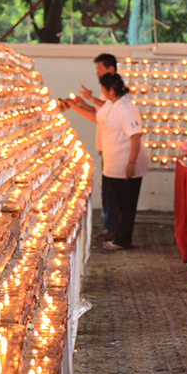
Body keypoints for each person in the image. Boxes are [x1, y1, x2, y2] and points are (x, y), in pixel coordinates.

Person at [66, 72, 149, 250]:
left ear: (111, 90)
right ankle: (117, 235)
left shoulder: (126, 108)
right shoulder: (112, 104)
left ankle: (123, 240)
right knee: (116, 201)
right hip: (113, 162)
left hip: (124, 162)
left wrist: (131, 163)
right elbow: (98, 118)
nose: (102, 92)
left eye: (103, 89)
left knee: (125, 204)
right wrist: (76, 106)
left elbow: (136, 136)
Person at [74, 53, 119, 243]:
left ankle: (114, 229)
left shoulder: (115, 89)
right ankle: (109, 227)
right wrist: (84, 103)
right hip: (105, 145)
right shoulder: (104, 90)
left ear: (110, 69)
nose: (97, 72)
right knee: (108, 189)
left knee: (112, 191)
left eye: (99, 68)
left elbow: (103, 114)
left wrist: (79, 105)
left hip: (115, 149)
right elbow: (99, 112)